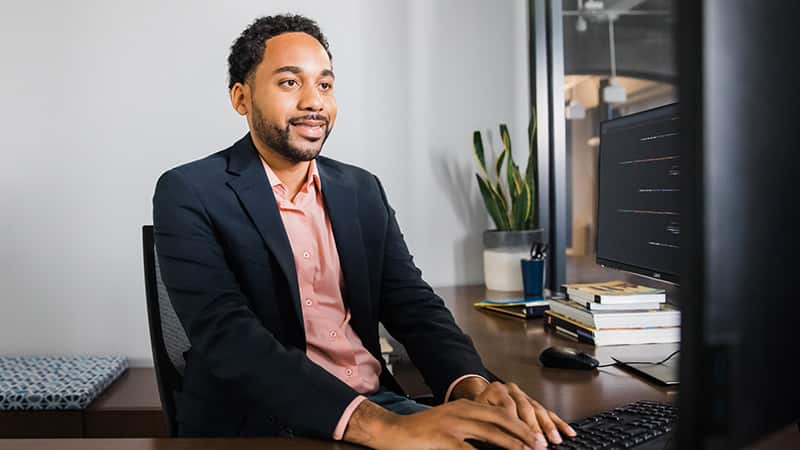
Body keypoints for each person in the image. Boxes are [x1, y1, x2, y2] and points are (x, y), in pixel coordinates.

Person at [153, 13, 575, 450]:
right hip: (263, 424)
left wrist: (473, 388)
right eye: (289, 83)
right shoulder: (189, 190)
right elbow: (228, 335)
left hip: (379, 403)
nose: (313, 102)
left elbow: (411, 303)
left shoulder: (360, 189)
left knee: (533, 442)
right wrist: (382, 426)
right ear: (241, 98)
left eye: (325, 84)